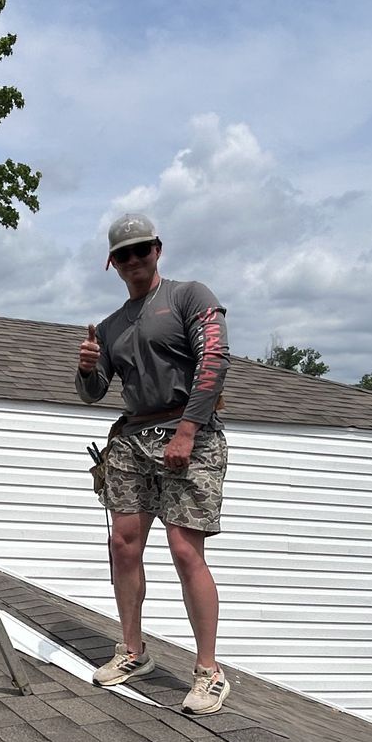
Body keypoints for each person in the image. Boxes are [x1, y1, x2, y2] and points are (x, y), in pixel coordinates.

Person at [75, 212, 231, 715]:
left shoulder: (189, 296)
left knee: (185, 550)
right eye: (123, 254)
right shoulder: (114, 324)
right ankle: (132, 651)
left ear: (157, 250)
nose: (133, 260)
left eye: (141, 250)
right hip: (134, 435)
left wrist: (188, 429)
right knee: (123, 545)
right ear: (111, 263)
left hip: (188, 432)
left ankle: (209, 672)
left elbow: (215, 360)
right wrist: (85, 367)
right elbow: (94, 393)